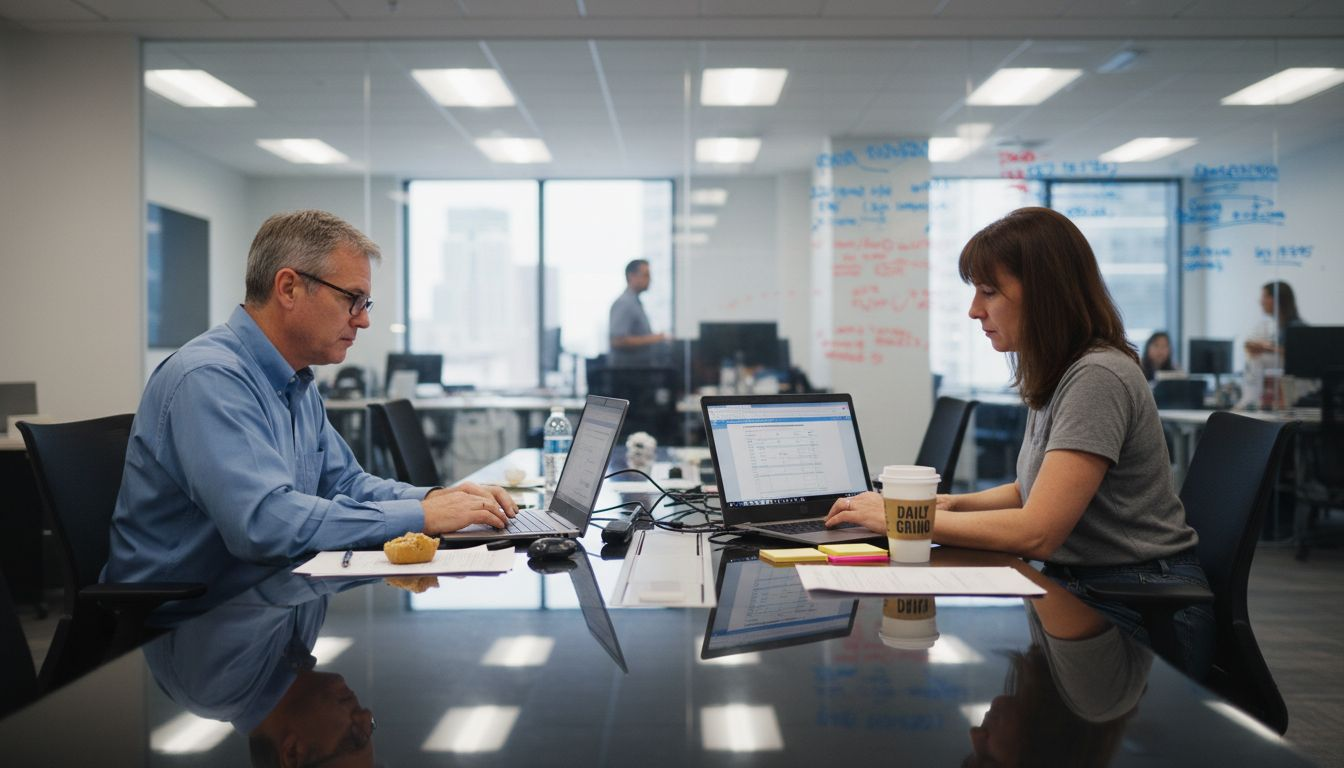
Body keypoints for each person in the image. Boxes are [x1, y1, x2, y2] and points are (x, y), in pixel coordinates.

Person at [825, 207, 1213, 677]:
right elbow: (1026, 489)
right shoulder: (1059, 371)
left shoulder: (1096, 376)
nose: (974, 310)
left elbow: (1038, 531)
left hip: (1139, 596)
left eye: (989, 292)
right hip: (1090, 581)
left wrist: (902, 518)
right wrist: (947, 505)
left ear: (1046, 296)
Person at [104, 210, 517, 595]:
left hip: (270, 598)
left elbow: (345, 484)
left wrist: (434, 499)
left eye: (365, 303)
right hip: (184, 622)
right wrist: (422, 518)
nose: (363, 319)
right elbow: (264, 524)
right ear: (288, 288)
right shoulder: (209, 378)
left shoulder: (295, 379)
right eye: (351, 298)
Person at [1238, 281, 1305, 408]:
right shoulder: (1277, 326)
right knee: (1255, 356)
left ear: (1277, 300)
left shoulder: (1295, 326)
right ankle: (1250, 400)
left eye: (1265, 297)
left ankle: (1249, 401)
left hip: (1301, 379)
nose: (1261, 301)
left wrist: (1266, 348)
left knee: (1257, 358)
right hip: (1290, 375)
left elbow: (1297, 353)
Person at [608, 259, 667, 366]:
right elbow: (617, 340)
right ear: (631, 277)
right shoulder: (624, 303)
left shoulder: (635, 302)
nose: (650, 279)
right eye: (646, 275)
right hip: (628, 374)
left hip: (639, 371)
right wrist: (654, 338)